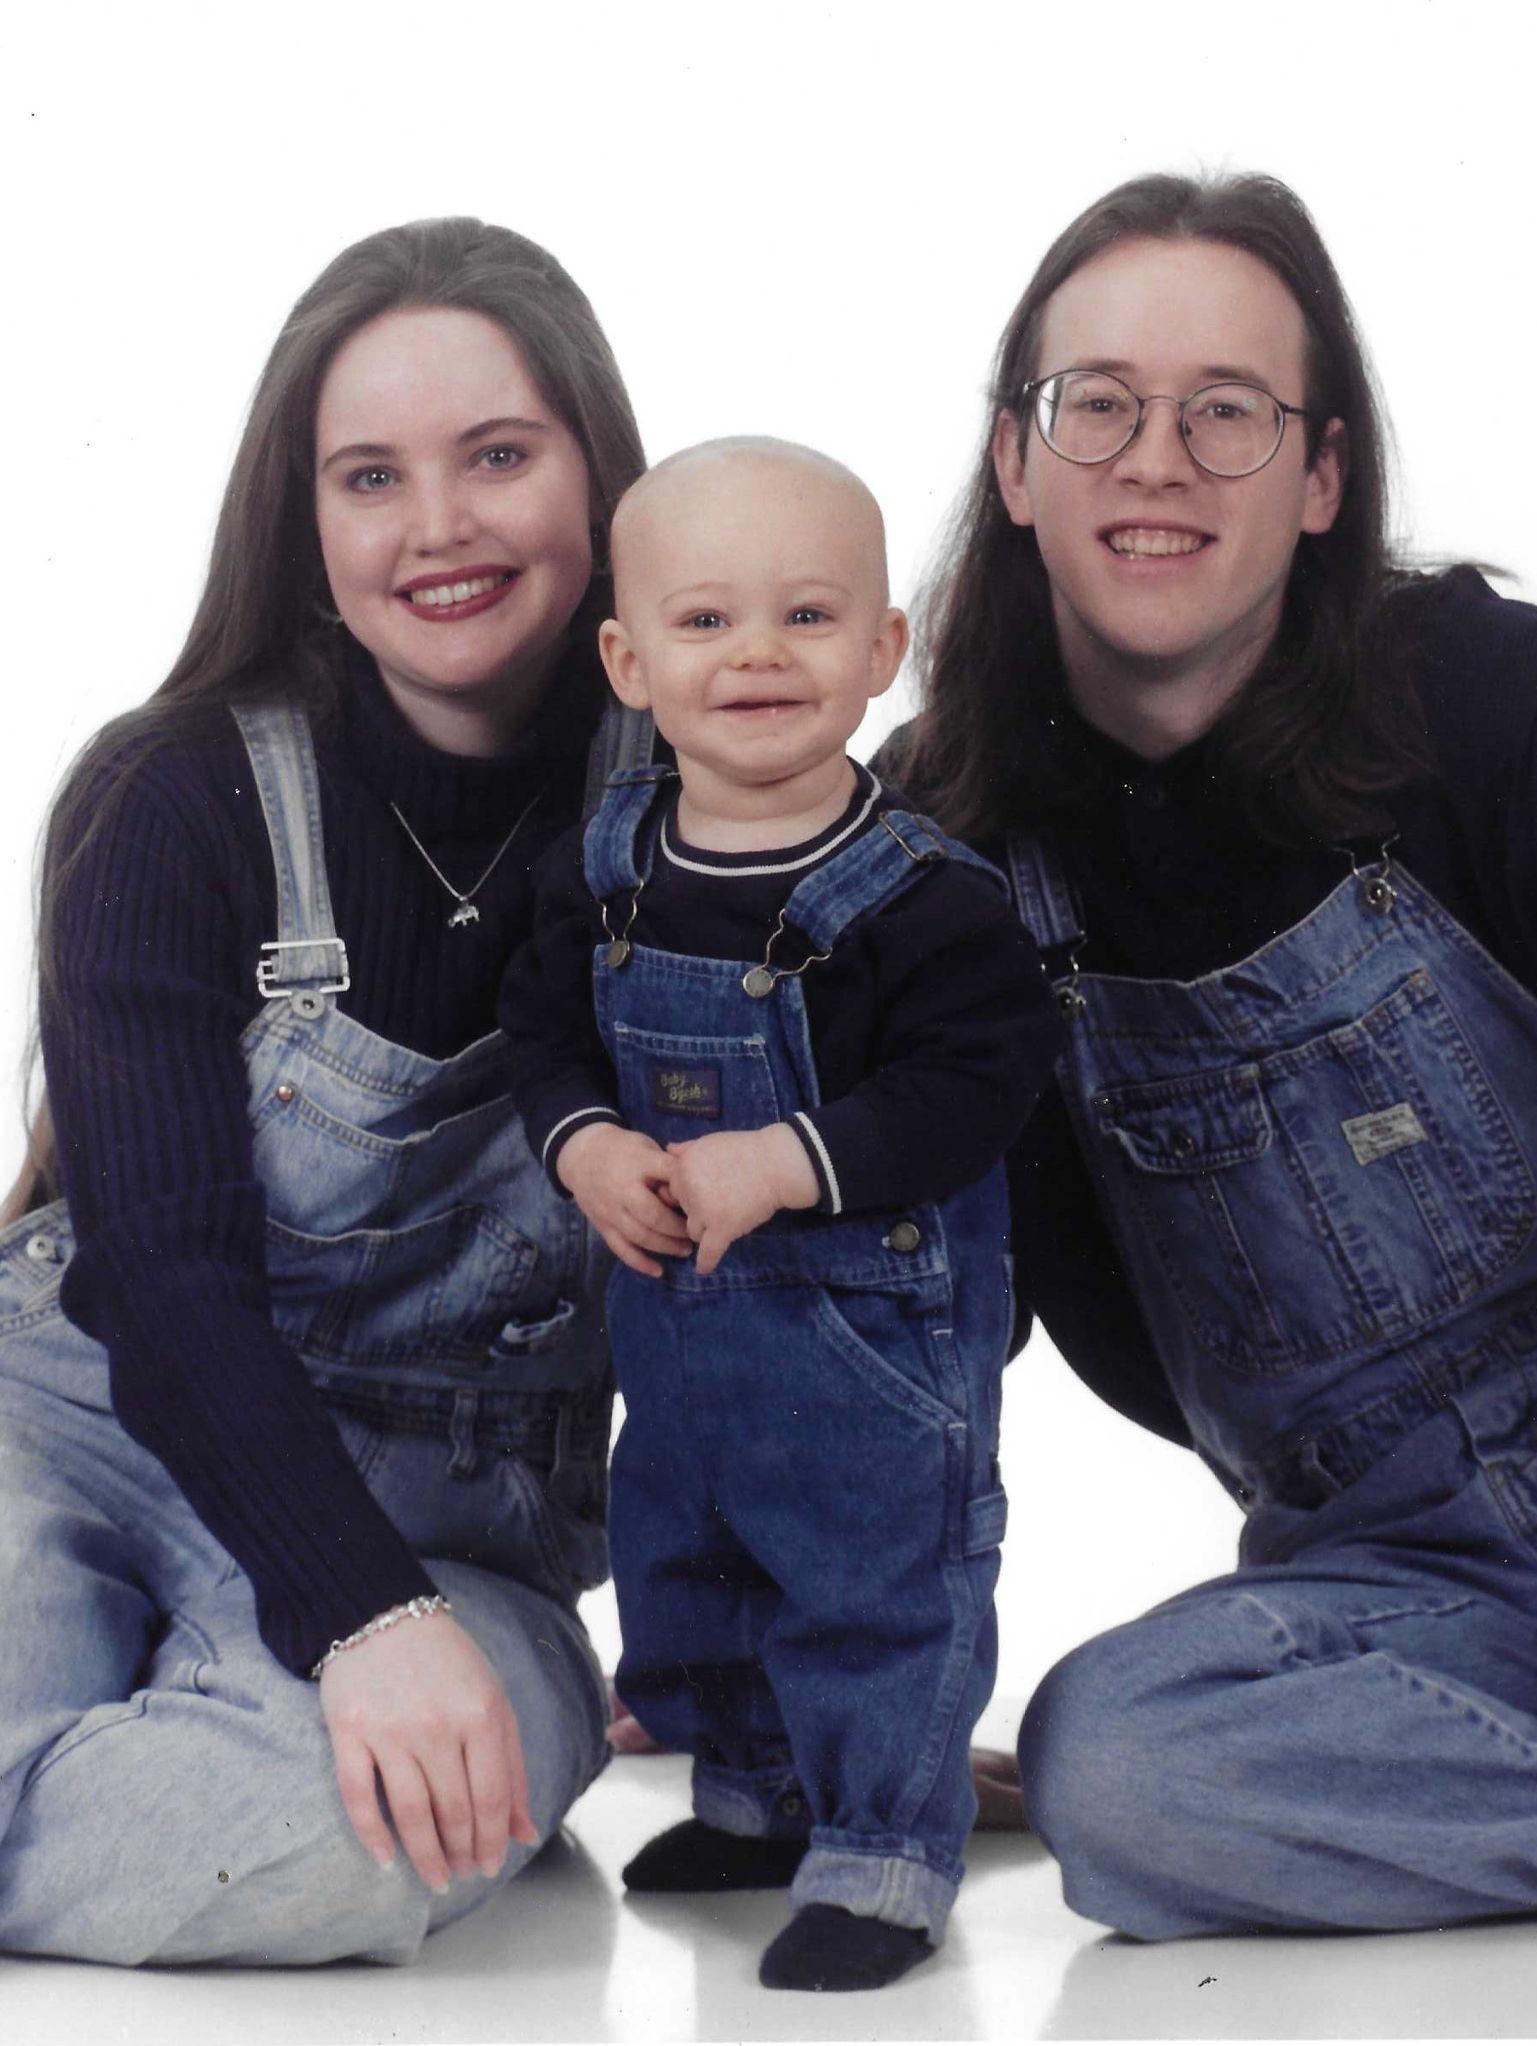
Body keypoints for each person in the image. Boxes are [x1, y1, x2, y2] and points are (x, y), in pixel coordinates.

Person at [888, 170, 1537, 1938]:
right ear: (1018, 462)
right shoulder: (936, 874)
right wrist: (786, 1662)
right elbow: (895, 1310)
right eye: (1098, 403)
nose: (1159, 457)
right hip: (1409, 1598)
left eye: (1229, 413)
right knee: (1111, 1766)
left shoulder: (1473, 696)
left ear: (1323, 475)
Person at [0, 216, 654, 1982]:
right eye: (371, 476)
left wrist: (813, 1706)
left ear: (601, 475)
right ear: (308, 523)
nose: (436, 525)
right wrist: (350, 1612)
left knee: (328, 1860)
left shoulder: (713, 826)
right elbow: (159, 1265)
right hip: (73, 1418)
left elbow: (797, 1285)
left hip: (457, 1511)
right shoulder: (173, 793)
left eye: (498, 456)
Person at [502, 439, 1061, 1988]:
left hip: (869, 1338)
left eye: (809, 617)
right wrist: (587, 1143)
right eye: (703, 622)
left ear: (886, 651)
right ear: (626, 659)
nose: (757, 654)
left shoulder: (924, 899)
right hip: (678, 1323)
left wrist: (791, 1158)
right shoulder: (602, 871)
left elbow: (977, 1080)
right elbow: (540, 1030)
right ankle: (755, 1798)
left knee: (873, 1586)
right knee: (696, 1562)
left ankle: (884, 1851)